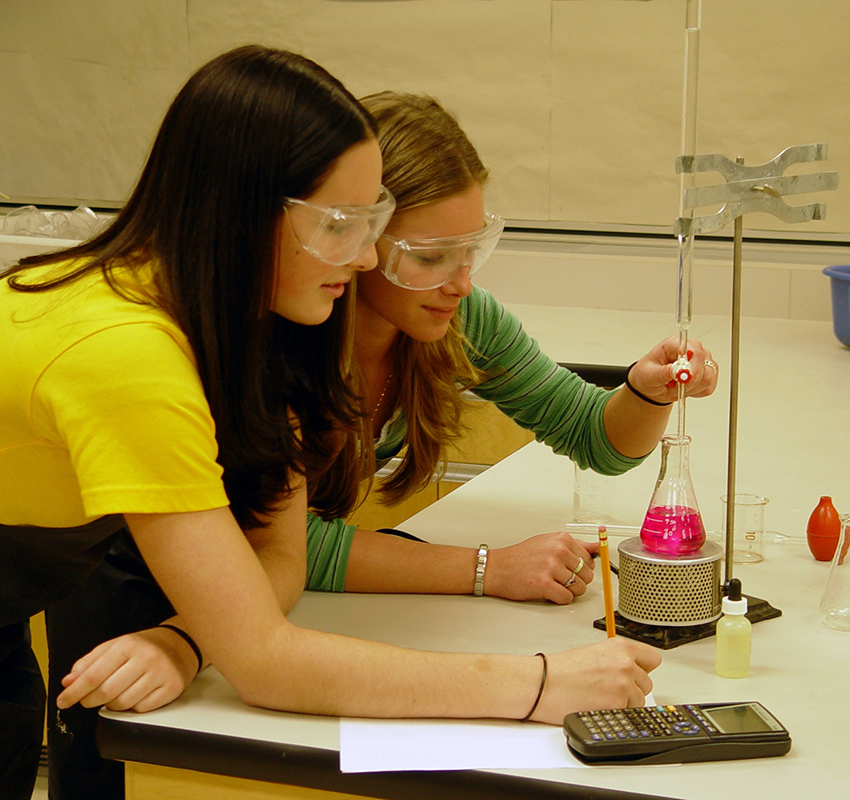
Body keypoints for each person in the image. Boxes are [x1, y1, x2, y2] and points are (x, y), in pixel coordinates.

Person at [1, 48, 664, 800]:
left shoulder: (248, 321)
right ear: (246, 213)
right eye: (343, 225)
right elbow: (264, 663)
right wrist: (539, 685)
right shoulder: (124, 355)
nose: (362, 258)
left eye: (373, 223)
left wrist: (188, 637)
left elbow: (276, 555)